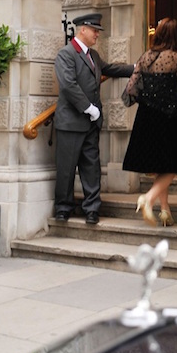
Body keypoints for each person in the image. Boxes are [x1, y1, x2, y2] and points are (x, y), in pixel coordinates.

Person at [54, 13, 134, 224]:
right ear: (82, 30)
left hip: (90, 123)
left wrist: (136, 68)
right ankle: (63, 208)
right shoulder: (66, 54)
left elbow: (110, 69)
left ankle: (92, 209)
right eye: (94, 30)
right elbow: (69, 85)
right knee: (66, 168)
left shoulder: (93, 55)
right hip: (71, 123)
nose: (97, 34)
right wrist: (88, 107)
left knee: (91, 167)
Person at [122, 17, 177, 227]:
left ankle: (165, 211)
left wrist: (149, 95)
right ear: (176, 36)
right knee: (173, 166)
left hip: (146, 117)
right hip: (166, 117)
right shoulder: (176, 57)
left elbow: (131, 90)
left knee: (160, 166)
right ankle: (148, 199)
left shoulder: (145, 56)